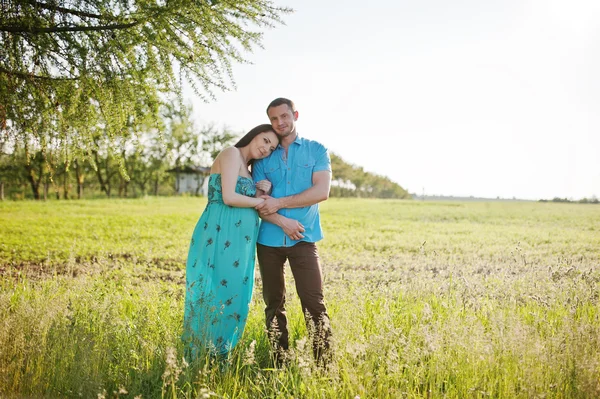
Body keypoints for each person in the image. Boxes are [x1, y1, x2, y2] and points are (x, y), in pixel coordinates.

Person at [182, 124, 279, 359]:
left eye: (272, 147)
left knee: (235, 293)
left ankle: (220, 354)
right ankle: (198, 355)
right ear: (254, 134)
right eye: (265, 140)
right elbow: (229, 197)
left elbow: (245, 198)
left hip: (241, 242)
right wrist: (260, 202)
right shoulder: (231, 153)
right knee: (214, 290)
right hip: (219, 233)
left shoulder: (247, 169)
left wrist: (259, 191)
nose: (267, 148)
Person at [252, 98, 333, 365]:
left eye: (284, 116)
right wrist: (283, 221)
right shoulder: (264, 154)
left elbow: (321, 192)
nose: (279, 123)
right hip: (269, 240)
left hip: (304, 239)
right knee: (274, 304)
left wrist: (281, 203)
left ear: (295, 115)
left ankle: (324, 368)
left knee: (314, 304)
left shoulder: (316, 150)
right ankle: (279, 365)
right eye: (274, 119)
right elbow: (259, 201)